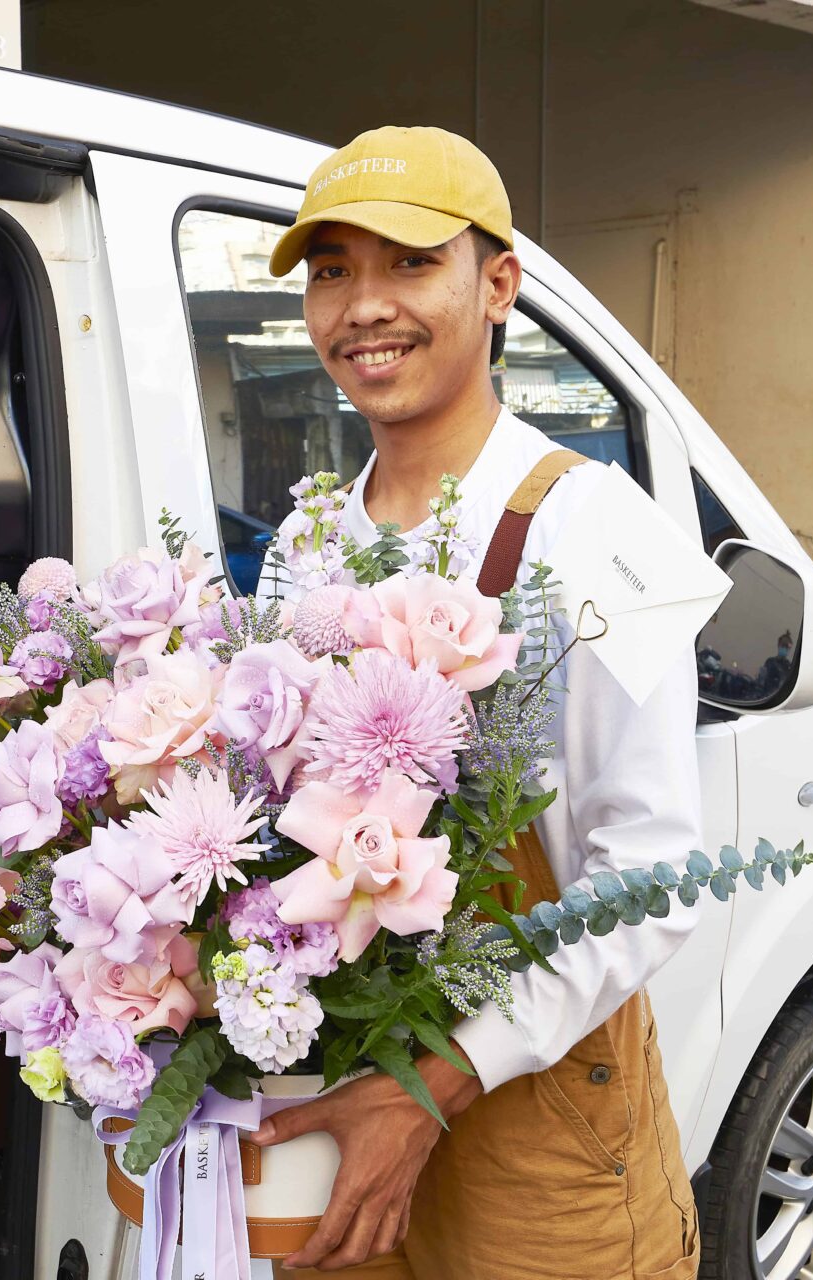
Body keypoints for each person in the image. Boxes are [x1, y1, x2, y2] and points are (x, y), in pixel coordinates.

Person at [247, 126, 704, 1280]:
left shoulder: (592, 527)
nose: (363, 306)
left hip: (534, 1110)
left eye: (409, 262)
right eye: (333, 269)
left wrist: (432, 1085)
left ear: (498, 283)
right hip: (339, 1081)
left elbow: (648, 873)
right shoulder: (304, 545)